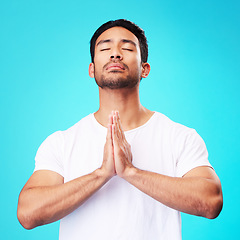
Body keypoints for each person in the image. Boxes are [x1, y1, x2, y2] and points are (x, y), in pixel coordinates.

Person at [17, 19, 223, 240]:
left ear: (145, 69)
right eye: (105, 48)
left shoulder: (180, 137)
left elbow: (211, 202)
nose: (115, 54)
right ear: (92, 69)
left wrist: (130, 172)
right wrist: (101, 174)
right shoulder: (61, 142)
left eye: (126, 48)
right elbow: (28, 213)